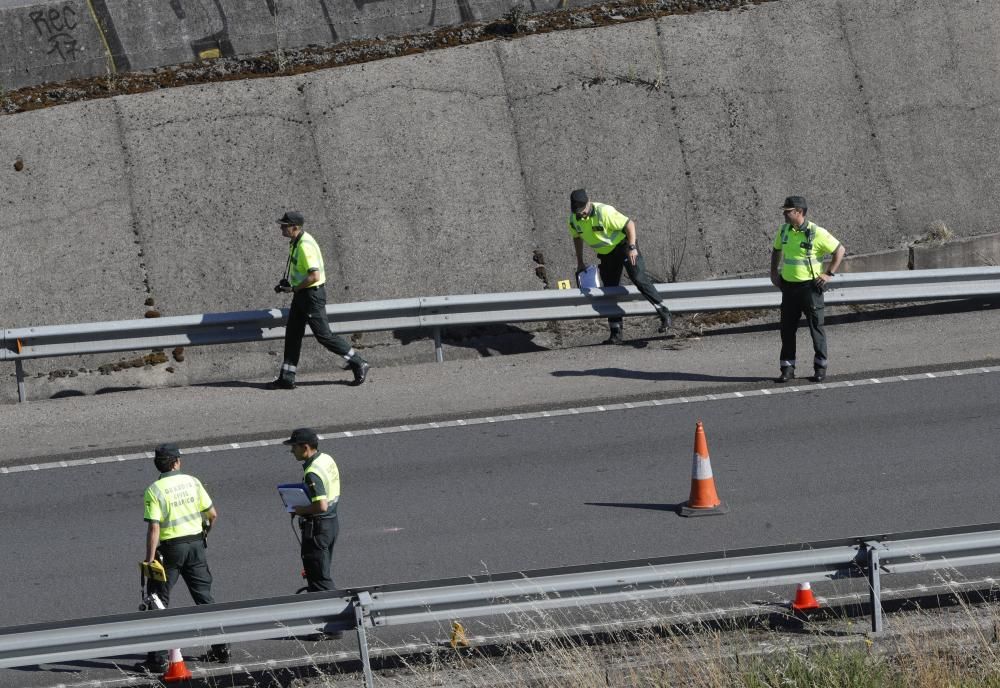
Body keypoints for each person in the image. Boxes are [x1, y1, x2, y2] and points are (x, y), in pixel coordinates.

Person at [137, 443, 229, 673]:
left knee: (158, 600)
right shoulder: (193, 482)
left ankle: (158, 658)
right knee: (204, 597)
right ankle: (221, 648)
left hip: (170, 550)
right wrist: (203, 535)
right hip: (196, 545)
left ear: (158, 464)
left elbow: (154, 529)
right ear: (177, 462)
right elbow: (212, 514)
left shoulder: (154, 490)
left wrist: (149, 560)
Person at [270, 210, 370, 389]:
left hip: (311, 295)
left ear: (295, 227)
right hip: (302, 295)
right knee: (293, 335)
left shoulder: (304, 245)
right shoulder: (296, 241)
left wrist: (293, 288)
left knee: (324, 336)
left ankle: (358, 362)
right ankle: (286, 377)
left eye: (284, 226)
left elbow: (314, 276)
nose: (281, 228)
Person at [568, 189, 672, 344]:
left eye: (582, 211)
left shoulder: (604, 212)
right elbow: (577, 238)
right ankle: (616, 332)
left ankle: (665, 314)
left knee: (638, 277)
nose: (580, 215)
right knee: (610, 290)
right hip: (606, 255)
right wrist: (580, 262)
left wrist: (632, 247)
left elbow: (629, 224)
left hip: (623, 247)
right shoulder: (574, 220)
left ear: (588, 202)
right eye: (577, 212)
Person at [769, 196, 846, 383]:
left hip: (810, 288)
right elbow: (776, 249)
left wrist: (828, 274)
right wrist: (773, 272)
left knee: (816, 329)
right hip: (789, 288)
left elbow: (840, 250)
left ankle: (820, 367)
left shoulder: (816, 232)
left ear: (799, 212)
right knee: (787, 330)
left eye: (788, 211)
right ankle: (787, 368)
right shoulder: (784, 230)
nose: (784, 214)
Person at [284, 428, 340, 592]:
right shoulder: (326, 459)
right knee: (321, 571)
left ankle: (332, 612)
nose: (292, 450)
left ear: (305, 447)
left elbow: (321, 505)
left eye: (294, 446)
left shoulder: (312, 472)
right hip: (332, 523)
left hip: (318, 529)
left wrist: (301, 510)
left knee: (318, 579)